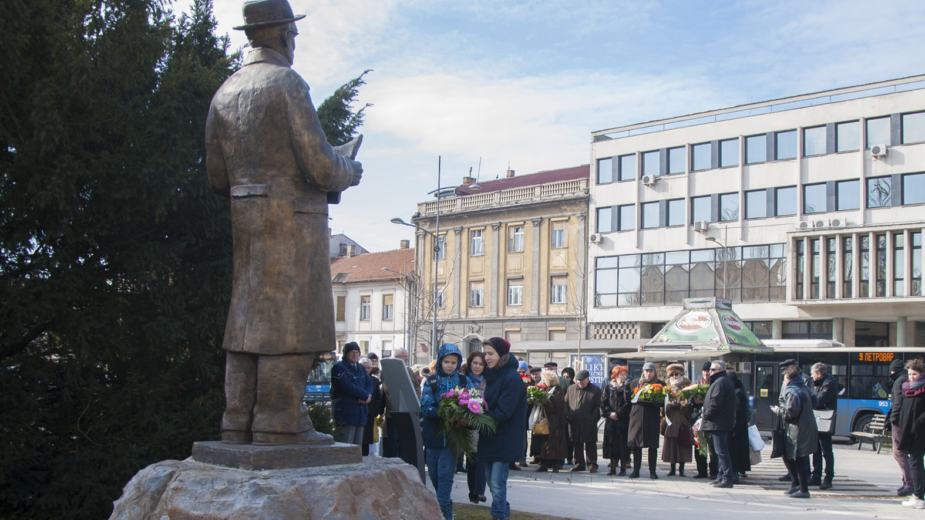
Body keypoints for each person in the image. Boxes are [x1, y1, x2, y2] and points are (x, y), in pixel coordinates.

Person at [206, 0, 363, 445]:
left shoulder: (225, 92)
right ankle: (279, 421)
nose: (295, 41)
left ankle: (236, 420)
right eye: (292, 33)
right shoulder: (287, 84)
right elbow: (320, 164)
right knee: (291, 324)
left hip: (247, 221)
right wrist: (348, 170)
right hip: (293, 222)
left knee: (247, 320)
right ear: (278, 33)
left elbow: (217, 174)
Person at [478, 337, 527, 520]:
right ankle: (503, 511)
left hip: (505, 438)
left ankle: (498, 515)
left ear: (502, 354)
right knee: (492, 483)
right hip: (490, 436)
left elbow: (504, 411)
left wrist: (477, 420)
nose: (486, 358)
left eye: (490, 354)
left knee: (497, 484)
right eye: (485, 354)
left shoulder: (511, 378)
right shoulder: (491, 375)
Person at [419, 343, 469, 520]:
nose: (450, 365)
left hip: (453, 440)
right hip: (433, 438)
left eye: (453, 362)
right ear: (440, 361)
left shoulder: (463, 381)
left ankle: (445, 516)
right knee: (435, 478)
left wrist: (463, 415)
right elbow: (426, 407)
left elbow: (473, 403)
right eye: (447, 361)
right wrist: (444, 412)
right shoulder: (431, 381)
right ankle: (448, 511)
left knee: (444, 482)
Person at [772, 359, 818, 499]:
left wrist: (778, 410)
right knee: (794, 457)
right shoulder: (802, 387)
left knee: (800, 459)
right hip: (804, 427)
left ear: (787, 377)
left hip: (799, 430)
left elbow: (790, 413)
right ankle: (797, 485)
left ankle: (803, 490)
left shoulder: (793, 392)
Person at [701, 360, 736, 488]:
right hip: (719, 422)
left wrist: (705, 415)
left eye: (712, 370)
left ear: (719, 370)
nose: (709, 372)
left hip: (719, 423)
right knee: (719, 451)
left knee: (721, 451)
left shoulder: (720, 382)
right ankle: (721, 476)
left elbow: (715, 403)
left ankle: (727, 478)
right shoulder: (719, 381)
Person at [330, 342, 372, 445]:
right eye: (352, 352)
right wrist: (365, 395)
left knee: (357, 448)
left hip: (360, 414)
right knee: (345, 447)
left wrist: (369, 395)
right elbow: (347, 386)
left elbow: (369, 383)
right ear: (346, 353)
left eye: (357, 352)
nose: (355, 355)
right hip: (346, 414)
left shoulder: (360, 368)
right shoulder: (339, 367)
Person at [628, 362, 665, 479]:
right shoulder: (635, 383)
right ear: (643, 372)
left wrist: (655, 400)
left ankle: (652, 471)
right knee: (636, 446)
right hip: (637, 417)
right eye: (646, 371)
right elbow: (628, 399)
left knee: (652, 446)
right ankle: (636, 470)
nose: (648, 373)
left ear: (654, 372)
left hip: (652, 417)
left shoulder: (660, 384)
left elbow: (663, 402)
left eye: (651, 371)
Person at [898, 358, 925, 509]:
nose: (911, 377)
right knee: (915, 462)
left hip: (919, 432)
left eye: (914, 374)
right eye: (909, 374)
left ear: (921, 374)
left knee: (915, 463)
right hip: (909, 430)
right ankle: (918, 495)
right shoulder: (907, 388)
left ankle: (918, 496)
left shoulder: (923, 389)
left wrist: (918, 423)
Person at [565, 369, 602, 473]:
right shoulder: (571, 389)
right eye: (578, 380)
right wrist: (568, 416)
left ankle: (592, 464)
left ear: (587, 379)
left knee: (590, 443)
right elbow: (565, 403)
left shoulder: (595, 390)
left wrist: (593, 418)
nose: (580, 382)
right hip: (574, 421)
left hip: (589, 422)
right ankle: (579, 464)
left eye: (582, 380)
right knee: (576, 443)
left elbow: (598, 407)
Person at [465, 351, 488, 504]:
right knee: (472, 459)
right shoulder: (464, 379)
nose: (477, 366)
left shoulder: (488, 380)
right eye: (475, 363)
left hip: (485, 422)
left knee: (482, 458)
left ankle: (479, 491)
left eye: (481, 364)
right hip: (469, 424)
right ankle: (473, 491)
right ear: (470, 363)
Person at [809, 362, 837, 489]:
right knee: (816, 450)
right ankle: (816, 476)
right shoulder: (819, 383)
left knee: (826, 451)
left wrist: (812, 395)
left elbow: (818, 401)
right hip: (818, 420)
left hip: (825, 421)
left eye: (813, 374)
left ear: (819, 374)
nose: (811, 376)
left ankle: (828, 477)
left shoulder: (828, 384)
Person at [535, 371, 570, 473]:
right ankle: (544, 463)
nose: (543, 381)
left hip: (555, 421)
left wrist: (545, 401)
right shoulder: (545, 389)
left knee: (554, 443)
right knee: (544, 442)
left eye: (544, 379)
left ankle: (555, 464)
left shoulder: (557, 390)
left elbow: (557, 406)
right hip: (546, 419)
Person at [889, 358, 914, 496]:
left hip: (899, 422)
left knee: (899, 452)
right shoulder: (905, 379)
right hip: (905, 419)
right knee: (903, 453)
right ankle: (908, 481)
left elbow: (897, 402)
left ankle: (909, 483)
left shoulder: (899, 381)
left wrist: (893, 418)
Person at [662, 363, 692, 477]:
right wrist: (668, 406)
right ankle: (672, 468)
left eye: (677, 374)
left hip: (683, 420)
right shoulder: (666, 387)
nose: (675, 376)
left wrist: (683, 405)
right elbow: (662, 405)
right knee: (671, 445)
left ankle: (682, 469)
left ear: (681, 374)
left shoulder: (688, 386)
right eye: (672, 374)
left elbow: (690, 404)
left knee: (682, 444)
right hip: (670, 420)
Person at [602, 365, 632, 476]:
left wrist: (618, 414)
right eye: (621, 375)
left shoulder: (627, 387)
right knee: (611, 444)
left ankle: (623, 468)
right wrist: (609, 413)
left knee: (623, 445)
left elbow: (628, 404)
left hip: (623, 420)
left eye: (625, 375)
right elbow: (603, 403)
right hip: (611, 421)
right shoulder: (608, 387)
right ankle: (612, 468)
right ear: (615, 375)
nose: (624, 377)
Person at [692, 360, 713, 479]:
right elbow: (690, 401)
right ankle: (701, 471)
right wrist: (694, 401)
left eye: (708, 371)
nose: (706, 373)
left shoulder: (714, 384)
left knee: (711, 447)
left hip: (709, 419)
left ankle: (713, 471)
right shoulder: (697, 384)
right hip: (697, 419)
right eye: (705, 371)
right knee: (699, 446)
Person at [729, 372, 751, 480]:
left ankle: (736, 472)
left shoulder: (736, 393)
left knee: (735, 450)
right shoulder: (741, 391)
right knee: (741, 450)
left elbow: (736, 410)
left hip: (736, 426)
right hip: (741, 426)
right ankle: (741, 470)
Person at [360, 357, 384, 456]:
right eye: (364, 367)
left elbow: (378, 398)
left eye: (368, 367)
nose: (366, 370)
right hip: (358, 414)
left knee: (366, 443)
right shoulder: (355, 378)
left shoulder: (374, 381)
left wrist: (375, 412)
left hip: (369, 415)